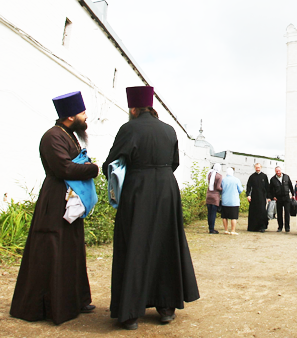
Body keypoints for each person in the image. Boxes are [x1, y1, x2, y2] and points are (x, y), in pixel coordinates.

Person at [102, 86, 199, 329]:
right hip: (167, 189)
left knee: (134, 243)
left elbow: (111, 163)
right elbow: (175, 162)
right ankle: (166, 308)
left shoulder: (129, 128)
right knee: (166, 244)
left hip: (138, 189)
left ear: (133, 109)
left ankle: (131, 313)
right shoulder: (168, 130)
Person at [11, 91, 99, 324]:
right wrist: (93, 169)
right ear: (70, 116)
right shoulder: (52, 136)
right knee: (52, 250)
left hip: (70, 201)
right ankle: (49, 307)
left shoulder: (68, 134)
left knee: (72, 250)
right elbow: (64, 169)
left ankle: (75, 300)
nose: (85, 116)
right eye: (82, 113)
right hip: (55, 201)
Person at [269, 166, 294, 232]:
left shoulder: (286, 177)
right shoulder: (273, 179)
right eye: (276, 171)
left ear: (281, 170)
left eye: (279, 171)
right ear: (275, 171)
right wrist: (272, 197)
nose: (278, 172)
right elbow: (270, 189)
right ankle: (280, 227)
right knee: (279, 213)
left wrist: (293, 194)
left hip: (286, 197)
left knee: (287, 212)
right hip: (278, 198)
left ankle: (287, 227)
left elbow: (290, 186)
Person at [246, 163, 270, 232]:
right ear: (254, 168)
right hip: (254, 197)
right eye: (256, 167)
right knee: (254, 212)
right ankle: (253, 227)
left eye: (259, 167)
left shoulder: (264, 176)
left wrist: (268, 197)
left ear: (261, 167)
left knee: (262, 212)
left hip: (262, 197)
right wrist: (248, 195)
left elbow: (267, 187)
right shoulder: (252, 176)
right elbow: (248, 187)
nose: (257, 168)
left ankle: (262, 227)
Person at [221, 168, 243, 235]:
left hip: (225, 200)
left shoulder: (223, 180)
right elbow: (240, 190)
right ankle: (233, 230)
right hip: (234, 200)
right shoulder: (236, 180)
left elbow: (220, 188)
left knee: (225, 216)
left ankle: (226, 230)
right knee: (234, 216)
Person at [206, 163, 222, 234]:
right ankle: (212, 229)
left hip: (208, 195)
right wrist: (223, 189)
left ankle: (209, 227)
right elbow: (218, 187)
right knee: (213, 213)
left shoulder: (209, 174)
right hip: (215, 196)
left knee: (209, 213)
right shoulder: (219, 176)